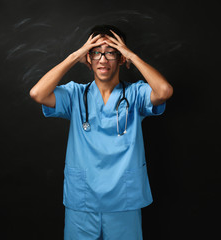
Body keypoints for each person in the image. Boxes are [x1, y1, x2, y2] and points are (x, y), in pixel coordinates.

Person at [29, 25, 173, 240]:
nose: (103, 59)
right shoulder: (75, 95)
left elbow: (164, 91)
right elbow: (37, 93)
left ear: (121, 58)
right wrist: (74, 55)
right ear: (88, 58)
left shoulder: (135, 94)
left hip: (123, 199)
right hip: (82, 199)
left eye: (111, 52)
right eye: (96, 52)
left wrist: (132, 55)